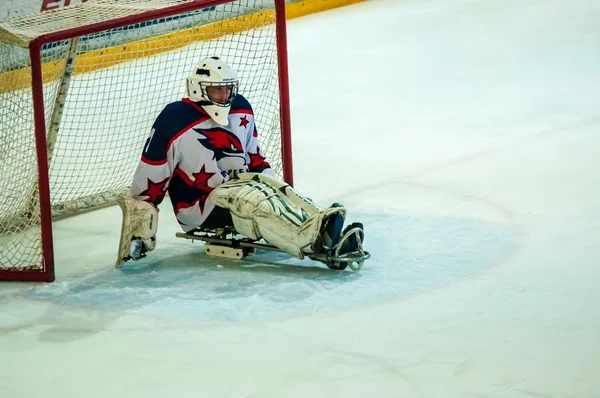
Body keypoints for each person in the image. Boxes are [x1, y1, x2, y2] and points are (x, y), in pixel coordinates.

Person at [116, 56, 364, 267]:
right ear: (197, 89)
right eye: (216, 90)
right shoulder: (174, 119)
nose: (224, 96)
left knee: (271, 192)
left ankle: (324, 226)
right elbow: (151, 175)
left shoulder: (241, 107)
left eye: (227, 89)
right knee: (252, 201)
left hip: (242, 186)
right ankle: (318, 242)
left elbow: (255, 159)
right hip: (200, 206)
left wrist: (278, 190)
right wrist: (139, 229)